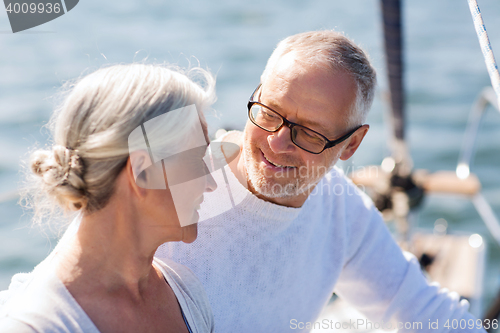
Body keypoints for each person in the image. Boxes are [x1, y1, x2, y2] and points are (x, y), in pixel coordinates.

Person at [1, 31, 487, 333]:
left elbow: (417, 307)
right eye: (269, 114)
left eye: (309, 133)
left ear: (351, 146)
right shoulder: (162, 200)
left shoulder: (183, 296)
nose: (277, 143)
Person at [0, 63, 218, 333]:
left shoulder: (185, 294)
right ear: (143, 172)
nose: (211, 183)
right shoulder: (35, 326)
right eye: (197, 159)